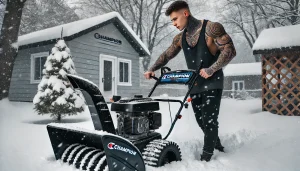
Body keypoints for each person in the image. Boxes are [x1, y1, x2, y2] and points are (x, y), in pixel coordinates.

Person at [144, 1, 236, 162]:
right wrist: (152, 68)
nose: (174, 24)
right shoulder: (180, 38)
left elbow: (230, 50)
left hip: (213, 82)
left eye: (175, 19)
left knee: (209, 120)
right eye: (172, 21)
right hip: (194, 84)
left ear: (185, 13)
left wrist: (212, 69)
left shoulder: (212, 28)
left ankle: (206, 158)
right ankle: (217, 145)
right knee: (201, 121)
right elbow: (167, 55)